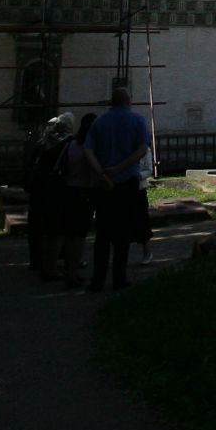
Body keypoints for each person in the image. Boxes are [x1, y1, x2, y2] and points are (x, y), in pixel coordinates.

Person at [84, 86, 152, 292]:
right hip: (127, 183)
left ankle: (97, 280)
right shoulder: (137, 120)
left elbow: (88, 150)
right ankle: (119, 279)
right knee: (123, 234)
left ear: (111, 102)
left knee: (103, 234)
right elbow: (142, 149)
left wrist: (102, 174)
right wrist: (120, 168)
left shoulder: (100, 121)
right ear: (128, 102)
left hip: (104, 185)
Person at [27, 113, 73, 281]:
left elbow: (30, 164)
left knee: (43, 228)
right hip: (57, 190)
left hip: (40, 189)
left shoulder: (41, 142)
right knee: (56, 229)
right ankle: (52, 266)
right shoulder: (66, 144)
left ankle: (40, 262)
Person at [59, 112, 101, 289]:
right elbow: (96, 170)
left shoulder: (70, 145)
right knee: (79, 235)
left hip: (69, 191)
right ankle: (73, 273)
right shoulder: (90, 148)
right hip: (85, 193)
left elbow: (63, 168)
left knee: (70, 233)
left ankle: (69, 267)